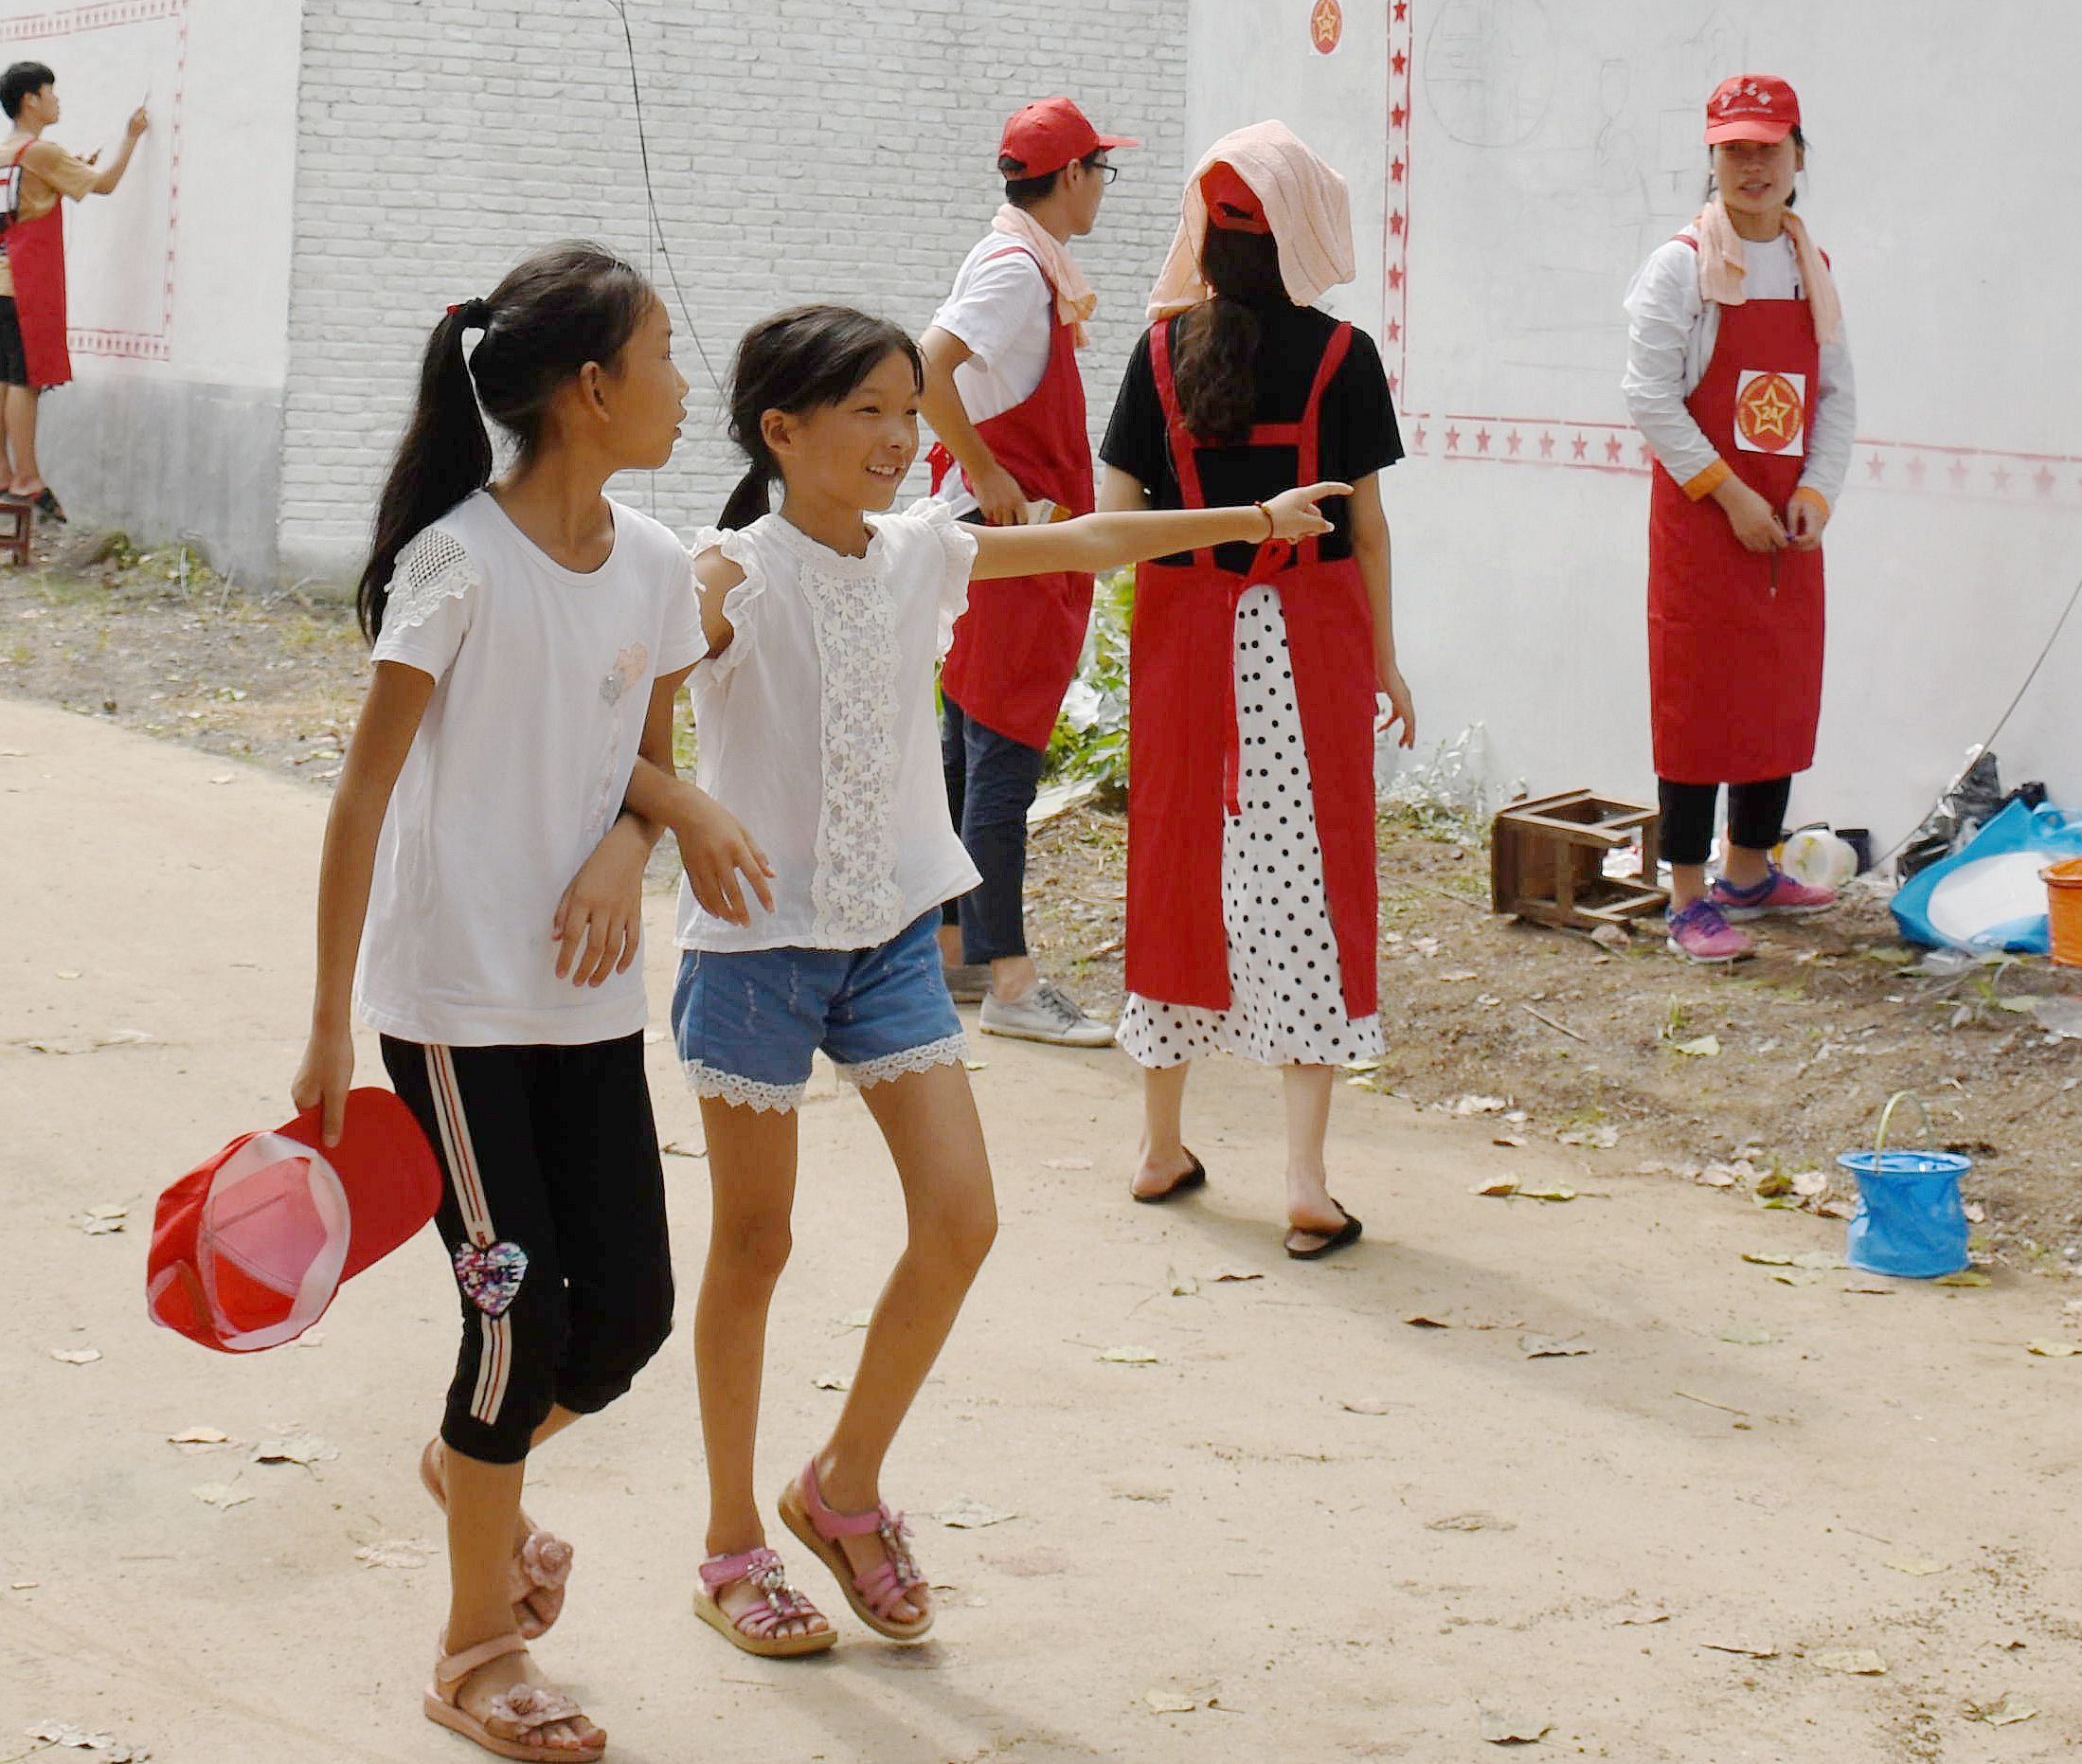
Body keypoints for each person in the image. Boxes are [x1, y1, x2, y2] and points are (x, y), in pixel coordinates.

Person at [674, 305, 1336, 1659]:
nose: (894, 435)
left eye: (904, 409)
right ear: (779, 430)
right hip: (750, 950)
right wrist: (665, 815)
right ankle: (731, 1538)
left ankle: (839, 1484)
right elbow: (616, 698)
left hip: (892, 943)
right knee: (753, 1245)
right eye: (862, 409)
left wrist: (1248, 517)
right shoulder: (722, 574)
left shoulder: (921, 550)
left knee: (962, 1218)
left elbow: (1085, 537)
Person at [293, 242, 763, 1764]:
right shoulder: (452, 562)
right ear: (589, 385)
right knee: (509, 1323)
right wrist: (319, 1028)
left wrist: (638, 840)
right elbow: (361, 798)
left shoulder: (646, 561)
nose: (686, 384)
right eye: (664, 354)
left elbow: (638, 745)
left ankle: (462, 1464)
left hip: (580, 1001)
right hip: (445, 1004)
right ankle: (474, 1645)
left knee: (620, 1315)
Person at [1093, 124, 1413, 1258]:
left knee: (1175, 858)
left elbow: (1116, 520)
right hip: (1307, 634)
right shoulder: (1343, 356)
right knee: (1308, 876)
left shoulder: (1156, 354)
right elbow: (1364, 529)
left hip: (1186, 633)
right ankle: (1304, 1181)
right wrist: (1385, 659)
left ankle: (1157, 1147)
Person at [1622, 73, 1863, 962]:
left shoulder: (1810, 266)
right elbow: (1647, 394)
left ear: (1799, 156)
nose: (1753, 165)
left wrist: (1813, 492)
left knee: (1777, 690)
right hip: (1702, 521)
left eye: (1769, 146)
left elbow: (1833, 395)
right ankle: (1687, 893)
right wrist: (1730, 492)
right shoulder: (1681, 264)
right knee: (1696, 699)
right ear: (1711, 159)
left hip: (1787, 520)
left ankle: (1750, 869)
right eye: (1734, 149)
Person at [913, 97, 1134, 1046]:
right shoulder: (1013, 268)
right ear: (1071, 175)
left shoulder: (1011, 255)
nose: (1101, 190)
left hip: (996, 538)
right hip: (1012, 535)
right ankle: (1009, 977)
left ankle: (957, 947)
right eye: (1100, 171)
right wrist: (988, 466)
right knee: (1001, 748)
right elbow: (925, 366)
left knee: (969, 738)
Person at [0, 60, 150, 523]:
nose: (57, 101)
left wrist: (68, 172)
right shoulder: (42, 151)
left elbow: (31, 199)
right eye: (51, 93)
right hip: (23, 284)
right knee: (25, 381)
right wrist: (130, 137)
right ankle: (28, 478)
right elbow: (105, 186)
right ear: (30, 99)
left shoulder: (1, 151)